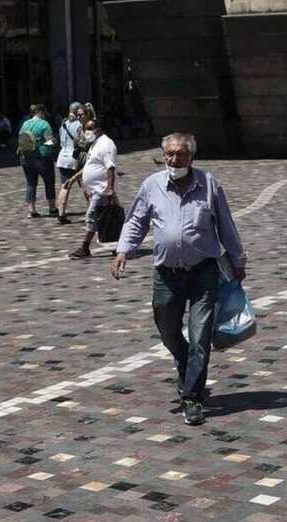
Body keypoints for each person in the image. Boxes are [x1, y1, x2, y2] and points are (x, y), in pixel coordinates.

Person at [110, 132, 247, 426]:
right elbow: (136, 220)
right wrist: (123, 250)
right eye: (170, 154)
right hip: (167, 273)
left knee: (200, 337)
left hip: (203, 272)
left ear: (191, 157)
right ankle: (186, 365)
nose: (174, 160)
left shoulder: (209, 185)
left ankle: (192, 398)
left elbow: (226, 225)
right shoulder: (152, 185)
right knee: (167, 329)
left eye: (181, 154)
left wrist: (238, 260)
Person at [68, 117, 117, 259]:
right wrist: (73, 178)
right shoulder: (95, 144)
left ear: (98, 129)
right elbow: (90, 165)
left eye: (89, 129)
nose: (86, 132)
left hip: (102, 189)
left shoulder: (106, 144)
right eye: (85, 129)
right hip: (95, 189)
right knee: (107, 218)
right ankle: (118, 245)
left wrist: (109, 189)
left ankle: (85, 247)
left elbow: (110, 167)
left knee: (92, 216)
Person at [18, 104, 58, 218]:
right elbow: (49, 141)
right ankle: (52, 208)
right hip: (42, 158)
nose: (45, 116)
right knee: (49, 182)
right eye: (44, 113)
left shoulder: (25, 123)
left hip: (26, 158)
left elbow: (21, 138)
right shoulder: (44, 124)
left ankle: (32, 210)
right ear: (41, 112)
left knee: (31, 183)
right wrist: (55, 141)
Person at [55, 101, 84, 222]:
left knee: (65, 186)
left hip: (62, 157)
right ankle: (94, 212)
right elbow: (82, 142)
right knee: (85, 186)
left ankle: (61, 213)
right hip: (74, 159)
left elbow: (61, 142)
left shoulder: (63, 124)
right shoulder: (79, 125)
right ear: (78, 111)